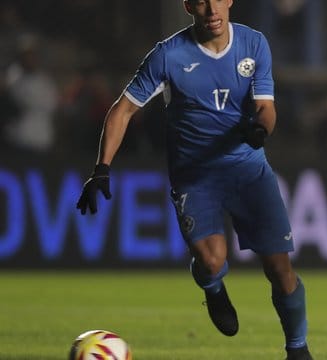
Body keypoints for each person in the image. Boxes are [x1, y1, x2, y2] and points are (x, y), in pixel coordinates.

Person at [75, 1, 313, 359]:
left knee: (280, 269)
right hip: (195, 177)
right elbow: (122, 110)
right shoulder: (168, 56)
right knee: (213, 261)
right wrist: (101, 169)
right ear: (188, 5)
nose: (211, 9)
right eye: (201, 0)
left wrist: (259, 131)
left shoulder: (253, 44)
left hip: (249, 171)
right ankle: (212, 287)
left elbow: (266, 108)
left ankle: (297, 350)